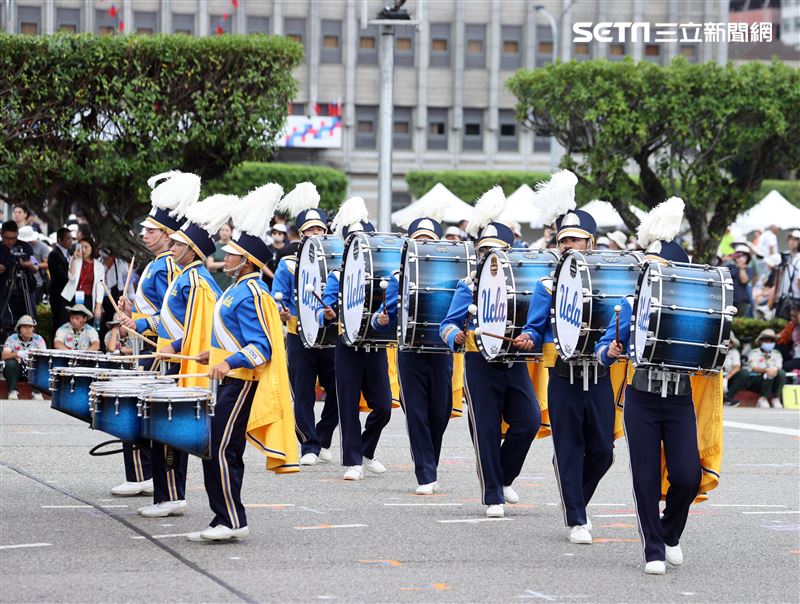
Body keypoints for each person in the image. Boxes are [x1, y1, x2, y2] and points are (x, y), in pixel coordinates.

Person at [596, 197, 722, 575]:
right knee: (645, 476)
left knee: (687, 475)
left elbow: (712, 350)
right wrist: (612, 351)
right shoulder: (630, 305)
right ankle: (652, 548)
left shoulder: (693, 309)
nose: (652, 277)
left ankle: (669, 532)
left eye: (660, 270)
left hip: (679, 399)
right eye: (649, 270)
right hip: (643, 399)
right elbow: (603, 349)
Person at [188, 183, 298, 542]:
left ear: (246, 261)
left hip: (241, 382)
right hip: (228, 378)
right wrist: (213, 355)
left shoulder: (250, 292)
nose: (226, 256)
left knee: (220, 449)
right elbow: (232, 336)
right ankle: (224, 518)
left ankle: (231, 519)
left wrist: (229, 362)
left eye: (232, 254)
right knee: (217, 449)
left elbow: (261, 347)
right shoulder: (237, 289)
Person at [515, 170, 613, 544]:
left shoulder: (607, 283)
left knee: (603, 451)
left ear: (591, 244)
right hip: (563, 375)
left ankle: (575, 499)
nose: (570, 245)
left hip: (599, 376)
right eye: (564, 240)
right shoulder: (547, 285)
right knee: (570, 446)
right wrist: (527, 336)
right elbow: (536, 327)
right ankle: (576, 516)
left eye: (578, 240)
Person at [440, 187, 540, 518]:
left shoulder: (524, 287)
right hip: (479, 363)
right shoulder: (468, 286)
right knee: (485, 428)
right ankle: (492, 493)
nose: (489, 257)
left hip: (512, 363)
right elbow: (447, 326)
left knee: (529, 421)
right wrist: (458, 335)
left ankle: (504, 476)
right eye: (484, 251)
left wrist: (529, 337)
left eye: (497, 251)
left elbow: (535, 325)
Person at [140, 193, 224, 519]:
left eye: (177, 246)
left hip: (179, 364)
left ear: (191, 251)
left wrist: (174, 347)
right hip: (172, 360)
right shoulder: (187, 276)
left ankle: (172, 496)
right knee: (163, 430)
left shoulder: (196, 279)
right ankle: (167, 494)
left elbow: (200, 324)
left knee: (169, 430)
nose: (171, 249)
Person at [114, 171, 194, 498]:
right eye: (145, 230)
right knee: (138, 411)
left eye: (151, 231)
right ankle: (141, 475)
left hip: (159, 352)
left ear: (166, 235)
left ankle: (144, 476)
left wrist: (140, 323)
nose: (144, 235)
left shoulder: (166, 267)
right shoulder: (157, 264)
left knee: (140, 411)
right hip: (148, 349)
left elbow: (172, 320)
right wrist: (131, 309)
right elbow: (152, 310)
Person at [376, 215, 455, 494]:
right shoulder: (398, 276)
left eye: (429, 241)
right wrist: (380, 320)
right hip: (410, 350)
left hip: (441, 350)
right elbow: (384, 312)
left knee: (440, 411)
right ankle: (426, 472)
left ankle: (428, 460)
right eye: (419, 240)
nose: (423, 245)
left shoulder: (450, 275)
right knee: (417, 413)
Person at [319, 196, 392, 481]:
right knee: (347, 403)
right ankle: (353, 461)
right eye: (352, 243)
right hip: (347, 344)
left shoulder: (383, 275)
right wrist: (328, 312)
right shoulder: (338, 275)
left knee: (384, 406)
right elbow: (326, 305)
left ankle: (366, 450)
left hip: (375, 345)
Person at [272, 183, 339, 466]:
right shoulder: (287, 263)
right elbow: (278, 299)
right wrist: (282, 311)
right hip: (299, 334)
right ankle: (309, 445)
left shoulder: (338, 258)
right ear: (300, 235)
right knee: (302, 394)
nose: (315, 234)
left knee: (337, 392)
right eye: (309, 230)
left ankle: (322, 437)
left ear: (326, 231)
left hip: (330, 336)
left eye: (319, 229)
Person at [0, 221, 38, 337]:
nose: (11, 241)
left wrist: (28, 265)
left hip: (24, 289)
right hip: (4, 291)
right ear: (1, 235)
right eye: (7, 238)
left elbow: (35, 266)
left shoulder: (26, 246)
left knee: (28, 319)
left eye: (14, 238)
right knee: (5, 321)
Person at [61, 237, 105, 325]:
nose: (83, 250)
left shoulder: (99, 266)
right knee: (68, 323)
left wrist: (98, 306)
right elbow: (71, 277)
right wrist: (74, 259)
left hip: (88, 298)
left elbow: (100, 287)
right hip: (72, 296)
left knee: (85, 325)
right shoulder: (75, 260)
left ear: (92, 248)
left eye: (86, 247)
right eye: (81, 247)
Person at [2, 315, 46, 400]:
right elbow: (4, 355)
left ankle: (37, 392)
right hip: (16, 371)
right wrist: (17, 353)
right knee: (11, 363)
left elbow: (44, 356)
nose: (28, 329)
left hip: (32, 370)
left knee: (40, 364)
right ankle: (12, 391)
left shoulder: (38, 339)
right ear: (19, 329)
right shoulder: (12, 338)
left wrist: (33, 356)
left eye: (30, 327)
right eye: (24, 327)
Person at [742, 329, 785, 409]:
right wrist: (766, 370)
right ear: (761, 341)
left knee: (781, 373)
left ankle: (776, 398)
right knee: (768, 374)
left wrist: (773, 370)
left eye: (771, 341)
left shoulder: (777, 353)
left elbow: (779, 366)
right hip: (756, 379)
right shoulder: (754, 353)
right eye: (766, 341)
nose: (769, 343)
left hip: (772, 377)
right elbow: (753, 368)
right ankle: (763, 398)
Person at [47, 228, 73, 340]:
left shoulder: (68, 253)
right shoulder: (54, 254)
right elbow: (60, 275)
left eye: (71, 238)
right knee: (57, 320)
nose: (70, 241)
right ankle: (54, 345)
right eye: (68, 238)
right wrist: (73, 280)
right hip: (58, 293)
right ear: (59, 239)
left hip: (67, 294)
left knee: (65, 319)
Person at [18, 226, 49, 305]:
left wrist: (31, 264)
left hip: (36, 282)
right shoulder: (20, 247)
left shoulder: (42, 246)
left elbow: (46, 264)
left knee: (32, 305)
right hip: (19, 283)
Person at [726, 243, 755, 318]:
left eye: (743, 256)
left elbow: (744, 281)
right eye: (738, 256)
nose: (740, 258)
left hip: (741, 300)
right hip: (728, 298)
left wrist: (742, 268)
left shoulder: (749, 269)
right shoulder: (730, 267)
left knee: (739, 320)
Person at [205, 221, 235, 291]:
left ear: (231, 232)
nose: (224, 232)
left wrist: (216, 265)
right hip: (215, 279)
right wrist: (227, 264)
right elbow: (209, 265)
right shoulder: (214, 246)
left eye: (227, 230)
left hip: (229, 280)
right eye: (222, 230)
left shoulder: (234, 247)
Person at [722, 333, 748, 405]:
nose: (727, 343)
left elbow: (737, 367)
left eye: (729, 341)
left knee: (744, 373)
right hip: (715, 376)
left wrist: (726, 379)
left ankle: (728, 398)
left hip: (728, 378)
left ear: (732, 344)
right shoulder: (714, 351)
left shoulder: (734, 352)